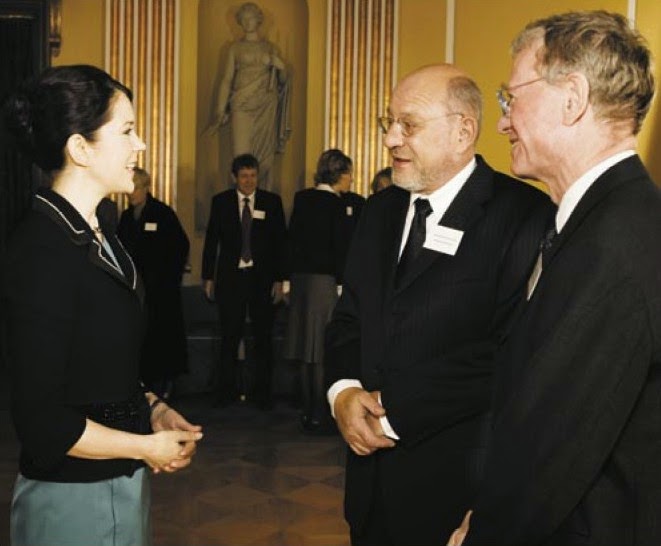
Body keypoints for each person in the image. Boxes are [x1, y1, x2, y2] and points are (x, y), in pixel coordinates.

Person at [448, 11, 661, 546]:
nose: (502, 122)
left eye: (510, 98)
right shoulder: (604, 220)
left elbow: (552, 445)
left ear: (572, 99)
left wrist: (482, 533)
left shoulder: (614, 244)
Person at [324, 64, 552, 546]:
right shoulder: (378, 210)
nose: (391, 138)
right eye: (388, 122)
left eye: (408, 124)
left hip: (456, 491)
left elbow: (509, 355)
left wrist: (391, 413)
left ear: (462, 131)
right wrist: (342, 392)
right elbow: (349, 318)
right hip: (368, 489)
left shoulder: (524, 216)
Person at [2, 64, 202, 546]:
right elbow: (42, 422)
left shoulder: (100, 232)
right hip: (72, 498)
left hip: (119, 481)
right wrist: (146, 447)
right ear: (80, 148)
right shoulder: (40, 250)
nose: (141, 145)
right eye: (127, 131)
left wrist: (151, 408)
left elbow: (96, 360)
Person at [201, 153, 286, 409]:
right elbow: (211, 241)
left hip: (262, 280)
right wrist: (208, 277)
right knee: (230, 336)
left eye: (253, 175)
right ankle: (225, 392)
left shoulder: (272, 202)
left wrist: (281, 280)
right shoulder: (221, 202)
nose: (249, 181)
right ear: (234, 177)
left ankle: (263, 394)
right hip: (231, 279)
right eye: (244, 176)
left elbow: (281, 243)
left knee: (263, 338)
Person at [284, 149, 353, 434]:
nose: (351, 179)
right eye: (348, 173)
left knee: (305, 349)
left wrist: (286, 280)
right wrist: (342, 285)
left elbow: (291, 240)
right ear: (338, 174)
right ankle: (321, 413)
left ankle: (307, 411)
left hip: (300, 281)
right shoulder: (337, 205)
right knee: (322, 350)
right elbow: (340, 248)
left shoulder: (303, 199)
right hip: (324, 283)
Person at [118, 167, 190, 399]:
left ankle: (166, 383)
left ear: (146, 188)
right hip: (137, 291)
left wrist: (166, 277)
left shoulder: (162, 213)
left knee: (164, 336)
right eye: (129, 188)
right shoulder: (126, 217)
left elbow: (181, 246)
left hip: (162, 291)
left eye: (136, 188)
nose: (132, 193)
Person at [212, 2, 290, 188]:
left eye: (251, 18)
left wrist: (281, 67)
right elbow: (226, 79)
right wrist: (221, 108)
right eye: (244, 19)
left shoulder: (270, 48)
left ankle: (261, 197)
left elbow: (282, 81)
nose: (248, 22)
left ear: (258, 20)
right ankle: (239, 198)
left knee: (265, 156)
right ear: (240, 21)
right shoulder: (235, 48)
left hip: (266, 104)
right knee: (240, 154)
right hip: (241, 104)